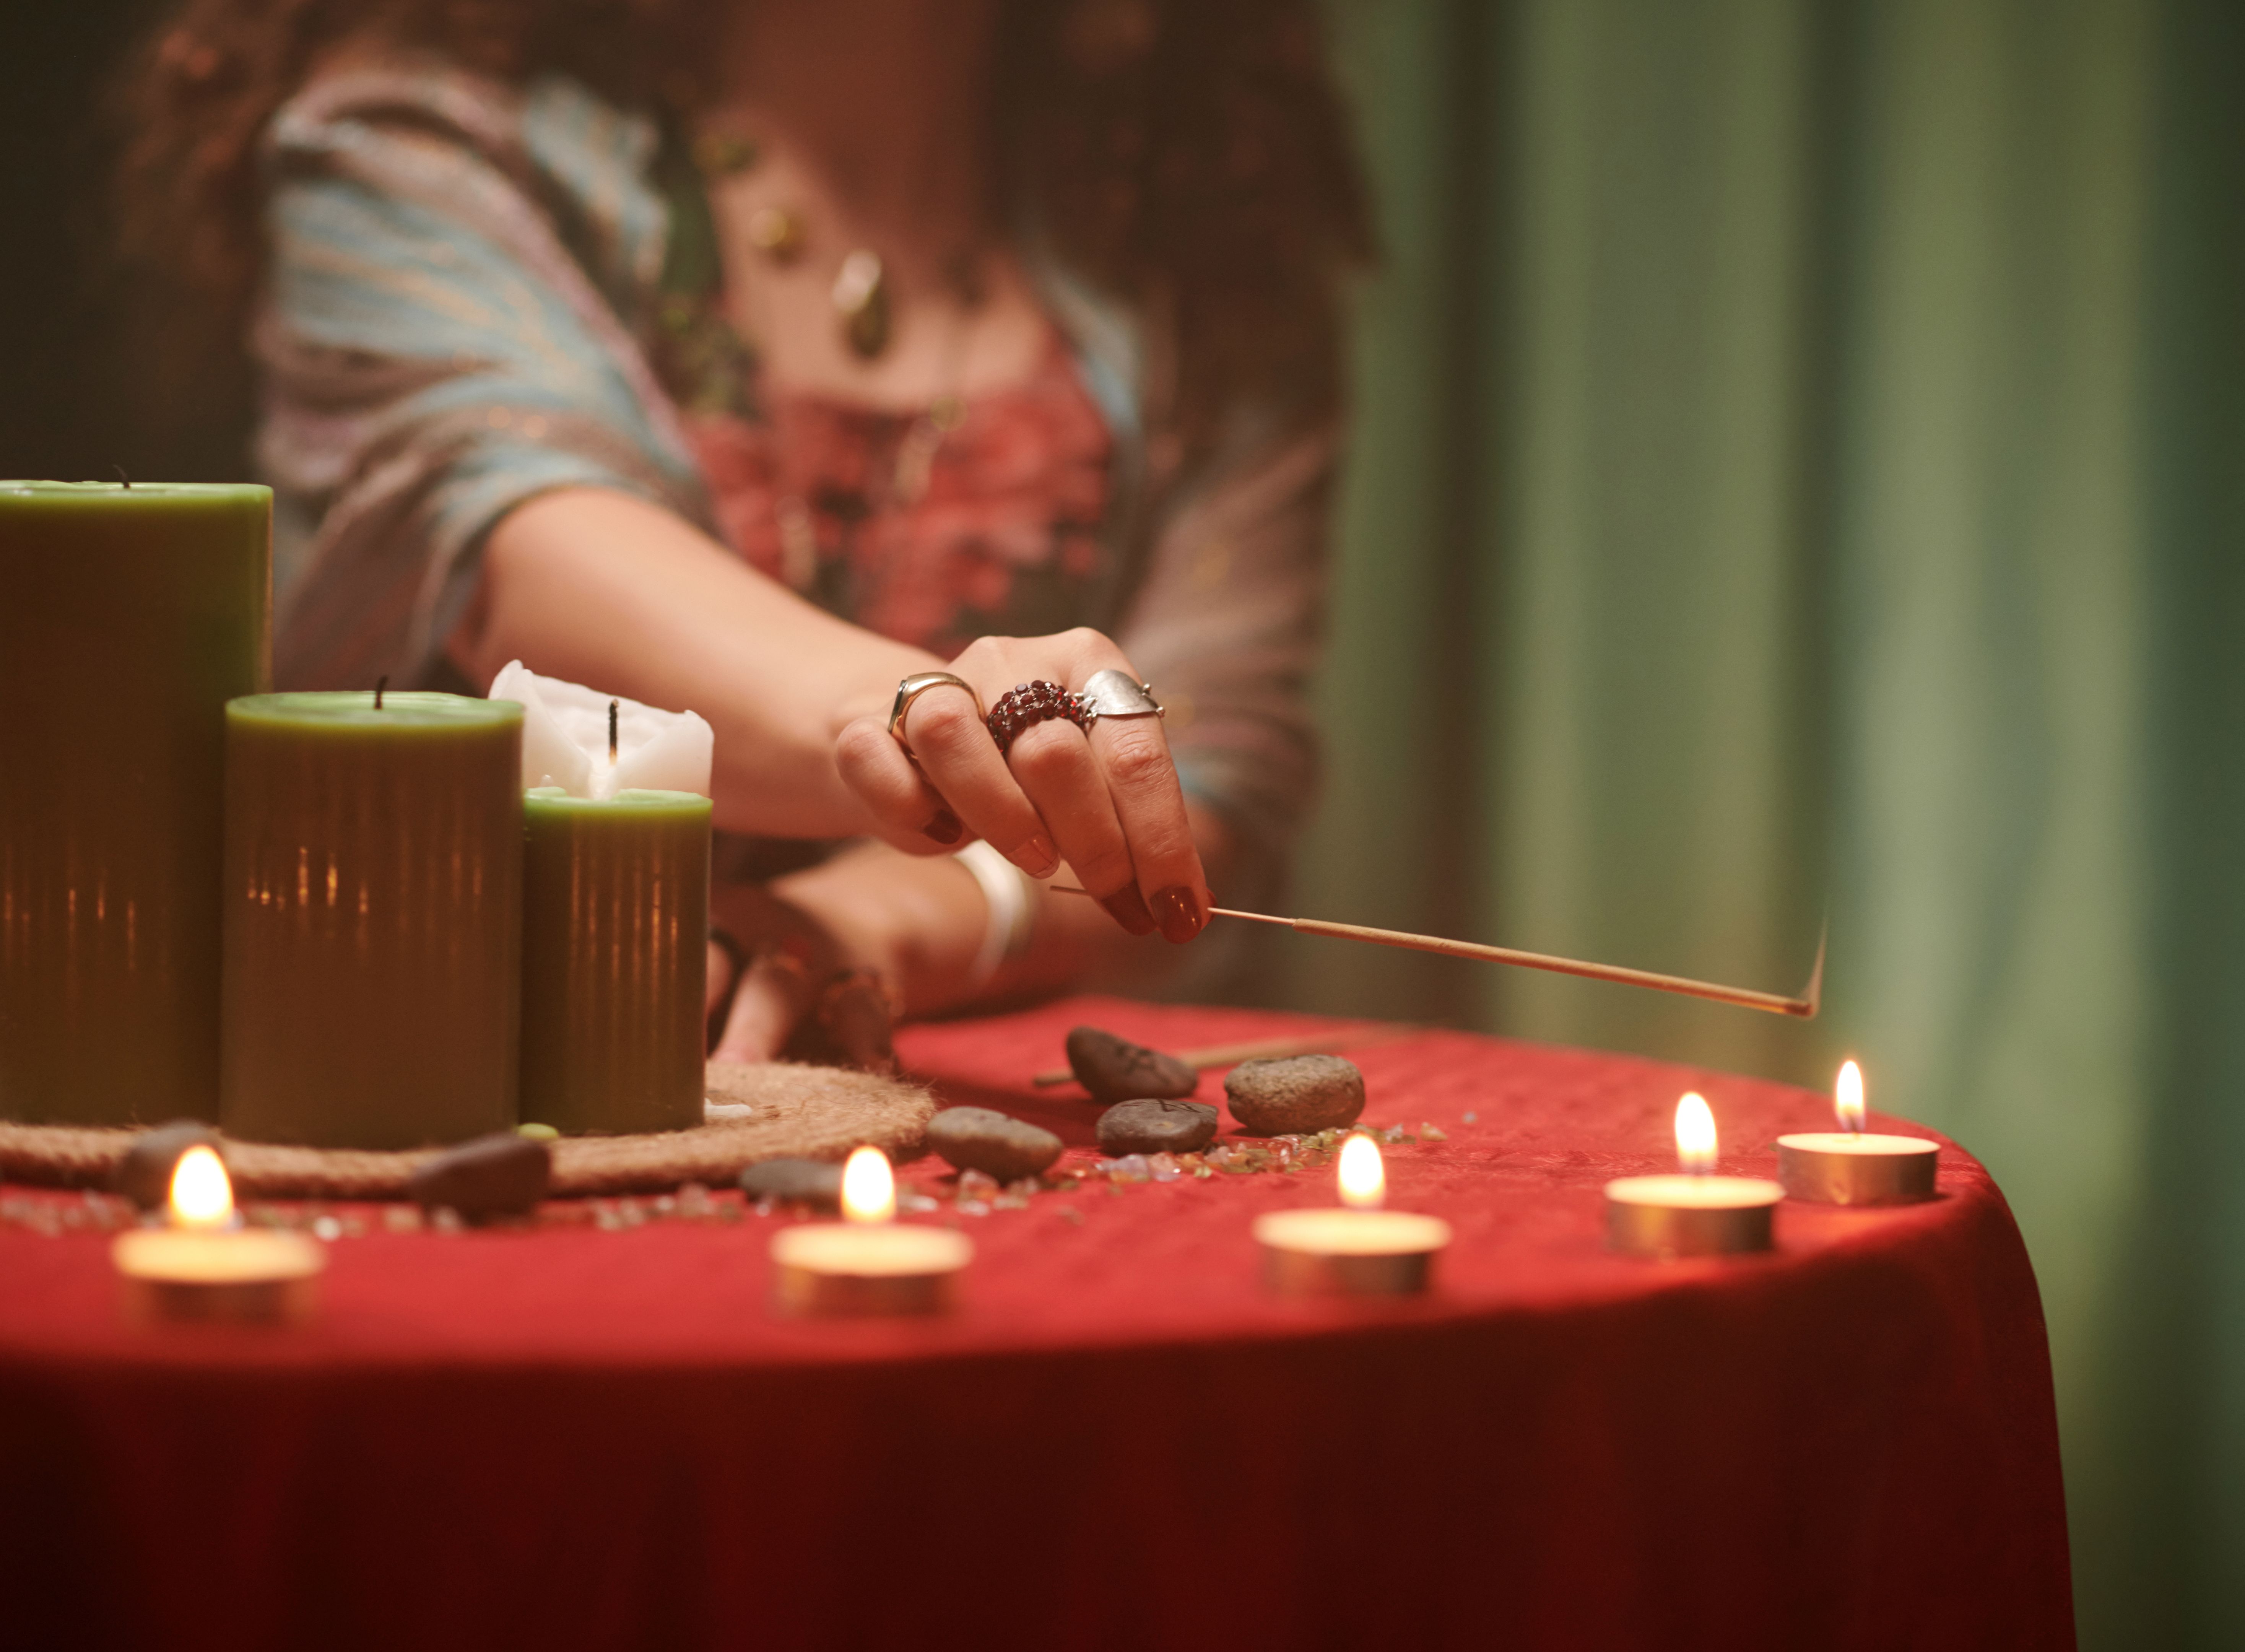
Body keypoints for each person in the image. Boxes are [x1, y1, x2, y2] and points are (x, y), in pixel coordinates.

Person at [122, 0, 1370, 1064]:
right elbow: (510, 538)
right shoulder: (417, 138)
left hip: (978, 1085)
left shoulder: (1207, 241)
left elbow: (1203, 789)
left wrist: (886, 925)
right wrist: (924, 712)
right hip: (439, 1071)